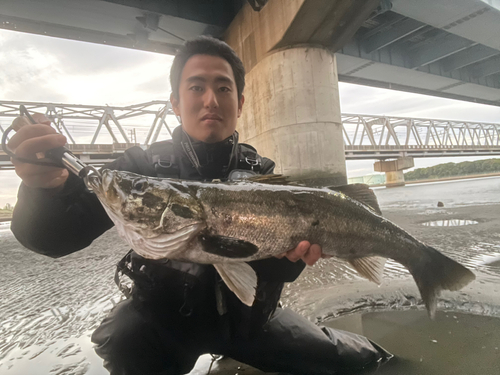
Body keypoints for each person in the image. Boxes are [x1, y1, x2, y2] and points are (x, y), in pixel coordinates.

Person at [9, 36, 391, 374]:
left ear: (240, 102)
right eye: (196, 87)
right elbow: (54, 238)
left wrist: (294, 260)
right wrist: (42, 190)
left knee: (355, 360)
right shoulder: (139, 170)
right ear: (175, 102)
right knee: (123, 339)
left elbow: (275, 272)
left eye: (224, 89)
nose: (210, 100)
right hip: (162, 327)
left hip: (251, 324)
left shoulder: (263, 174)